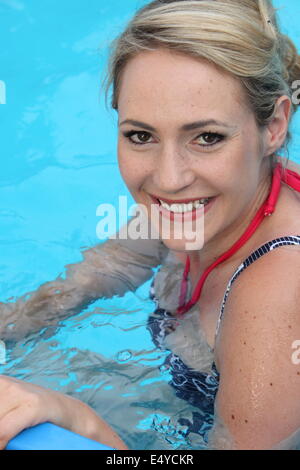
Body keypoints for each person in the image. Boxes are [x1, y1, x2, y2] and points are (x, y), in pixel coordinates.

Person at [0, 0, 300, 450]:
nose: (168, 179)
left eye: (207, 137)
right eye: (141, 136)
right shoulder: (204, 205)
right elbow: (87, 282)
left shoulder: (277, 295)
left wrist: (87, 428)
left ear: (274, 125)